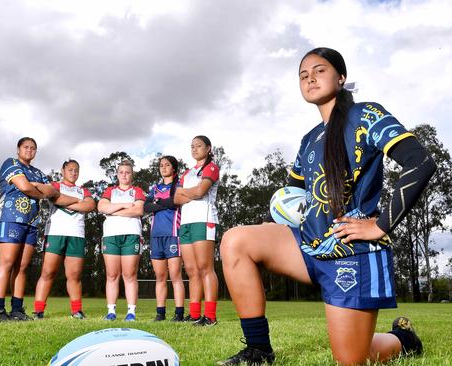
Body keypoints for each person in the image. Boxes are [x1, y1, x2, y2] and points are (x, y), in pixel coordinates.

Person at [218, 47, 436, 365]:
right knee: (236, 240)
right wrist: (269, 222)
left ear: (341, 77)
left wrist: (380, 225)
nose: (310, 78)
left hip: (352, 251)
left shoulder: (367, 115)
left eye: (319, 70)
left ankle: (403, 339)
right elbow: (291, 193)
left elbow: (419, 162)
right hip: (308, 247)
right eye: (303, 75)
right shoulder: (309, 140)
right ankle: (258, 350)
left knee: (351, 359)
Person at [0, 137, 79, 321]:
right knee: (6, 263)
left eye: (33, 148)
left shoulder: (38, 173)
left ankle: (17, 310)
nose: (29, 150)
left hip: (31, 222)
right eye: (26, 147)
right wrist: (42, 191)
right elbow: (25, 187)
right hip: (10, 218)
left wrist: (78, 201)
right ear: (18, 149)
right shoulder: (11, 163)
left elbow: (54, 194)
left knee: (22, 267)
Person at [33, 159, 96, 320]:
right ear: (62, 170)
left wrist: (65, 201)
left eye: (76, 170)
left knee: (74, 275)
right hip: (55, 233)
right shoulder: (55, 186)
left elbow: (89, 206)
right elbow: (54, 197)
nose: (73, 173)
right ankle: (38, 311)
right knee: (48, 272)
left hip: (77, 235)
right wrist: (76, 201)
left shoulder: (84, 191)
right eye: (70, 170)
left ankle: (76, 311)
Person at [174, 135, 220, 326]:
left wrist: (186, 192)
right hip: (186, 223)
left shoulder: (211, 167)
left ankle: (210, 316)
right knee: (191, 270)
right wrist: (189, 192)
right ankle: (194, 315)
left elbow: (201, 192)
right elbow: (176, 199)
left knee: (205, 268)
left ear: (208, 148)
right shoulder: (186, 173)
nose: (194, 149)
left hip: (204, 220)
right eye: (192, 146)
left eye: (198, 146)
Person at [97, 160, 146, 321]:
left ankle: (131, 312)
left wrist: (113, 210)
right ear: (117, 174)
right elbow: (102, 207)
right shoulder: (110, 190)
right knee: (112, 275)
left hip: (131, 234)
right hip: (111, 235)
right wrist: (125, 205)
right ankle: (111, 312)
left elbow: (138, 210)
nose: (124, 175)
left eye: (128, 172)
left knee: (129, 274)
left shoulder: (137, 191)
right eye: (121, 172)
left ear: (132, 175)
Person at [144, 156, 186, 322]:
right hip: (156, 236)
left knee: (175, 275)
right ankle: (160, 313)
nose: (163, 167)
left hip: (172, 234)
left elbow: (174, 203)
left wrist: (158, 203)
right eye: (161, 165)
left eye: (167, 165)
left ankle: (179, 314)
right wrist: (163, 202)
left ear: (174, 168)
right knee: (160, 277)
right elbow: (146, 206)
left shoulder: (178, 186)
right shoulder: (155, 188)